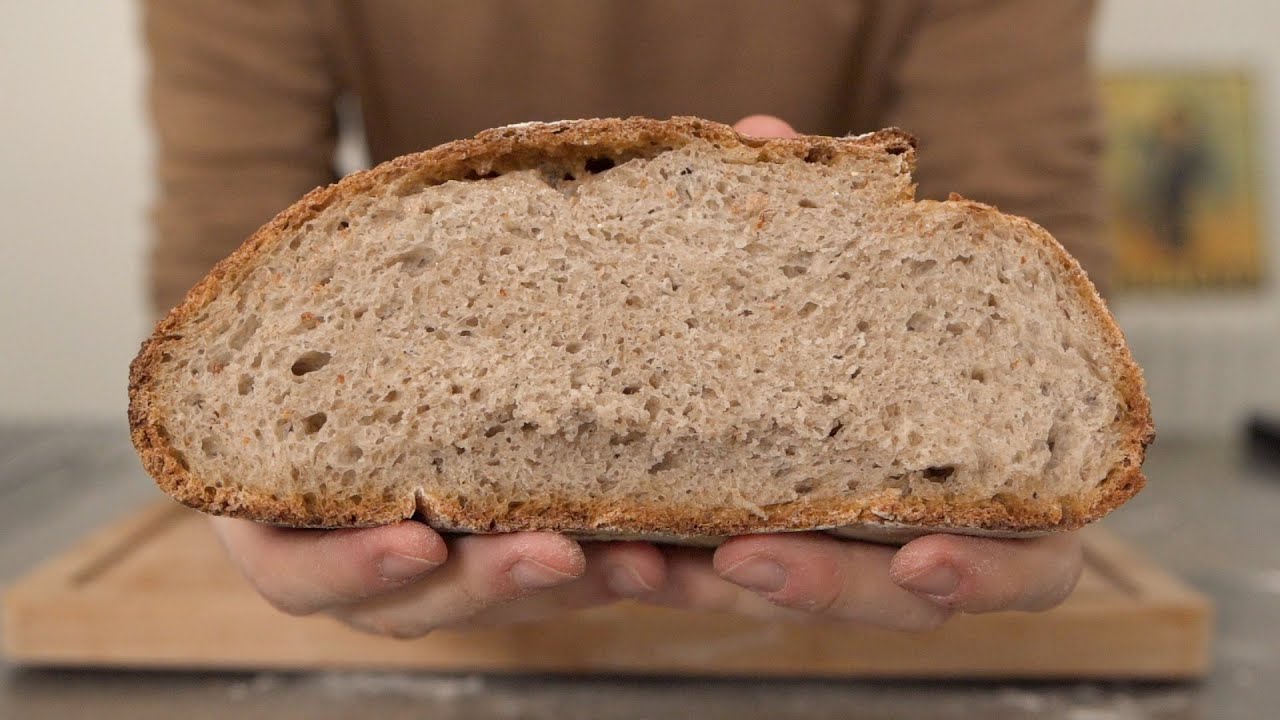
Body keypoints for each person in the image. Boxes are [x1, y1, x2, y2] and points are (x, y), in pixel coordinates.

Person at [143, 0, 1101, 638]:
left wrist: (1027, 468)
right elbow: (222, 275)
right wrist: (244, 491)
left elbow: (1030, 238)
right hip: (433, 588)